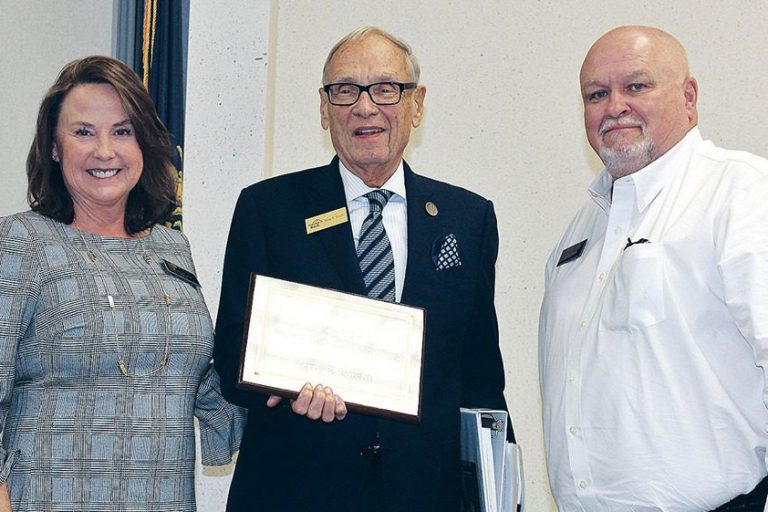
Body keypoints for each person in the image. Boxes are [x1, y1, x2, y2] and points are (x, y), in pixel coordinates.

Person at [214, 26, 510, 511]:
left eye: (386, 89)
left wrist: (497, 490)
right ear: (324, 107)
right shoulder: (268, 209)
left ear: (416, 104)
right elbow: (231, 358)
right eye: (345, 90)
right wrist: (284, 389)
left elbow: (480, 376)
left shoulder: (468, 218)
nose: (365, 107)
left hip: (424, 495)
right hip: (297, 490)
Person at [0, 56, 245, 511]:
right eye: (83, 132)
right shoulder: (22, 240)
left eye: (122, 131)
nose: (105, 151)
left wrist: (292, 385)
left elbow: (201, 384)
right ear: (54, 148)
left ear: (144, 143)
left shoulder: (173, 246)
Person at [539, 25, 768, 511]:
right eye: (596, 94)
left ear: (689, 97)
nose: (615, 106)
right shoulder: (580, 231)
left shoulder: (741, 194)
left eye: (636, 86)